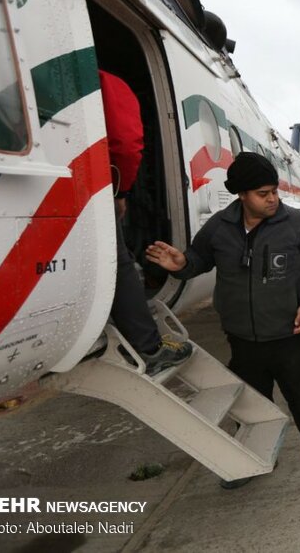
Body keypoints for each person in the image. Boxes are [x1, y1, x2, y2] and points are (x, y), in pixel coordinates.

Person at [145, 152, 300, 493]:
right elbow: (198, 260)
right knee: (251, 406)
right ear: (241, 194)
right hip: (242, 338)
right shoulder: (220, 226)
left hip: (291, 336)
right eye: (263, 193)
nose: (272, 199)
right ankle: (253, 458)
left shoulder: (296, 223)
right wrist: (180, 264)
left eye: (274, 191)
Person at [100, 70, 192, 376]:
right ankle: (149, 347)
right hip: (90, 189)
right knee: (116, 262)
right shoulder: (99, 79)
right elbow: (126, 142)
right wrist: (121, 189)